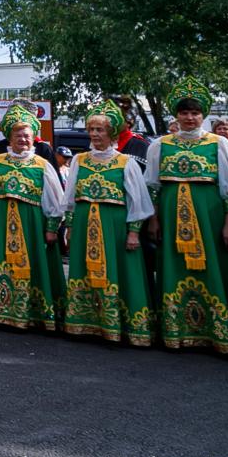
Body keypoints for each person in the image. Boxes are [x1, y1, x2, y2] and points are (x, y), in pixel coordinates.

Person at [143, 77, 228, 355]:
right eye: (184, 112)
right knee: (173, 268)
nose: (189, 117)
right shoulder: (160, 145)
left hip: (209, 217)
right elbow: (152, 186)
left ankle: (218, 333)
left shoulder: (219, 144)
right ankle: (176, 331)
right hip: (171, 216)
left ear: (203, 115)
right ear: (176, 114)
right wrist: (153, 219)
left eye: (195, 112)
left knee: (214, 267)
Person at [61, 101, 155, 345]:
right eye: (91, 130)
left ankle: (120, 325)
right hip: (84, 224)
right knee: (85, 270)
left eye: (100, 130)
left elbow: (138, 201)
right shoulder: (79, 160)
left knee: (119, 271)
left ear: (112, 133)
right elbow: (70, 199)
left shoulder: (126, 162)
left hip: (115, 226)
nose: (94, 134)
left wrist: (134, 233)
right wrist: (69, 227)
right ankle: (86, 322)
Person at [0, 104, 67, 331]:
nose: (23, 139)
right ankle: (4, 311)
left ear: (34, 138)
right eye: (18, 135)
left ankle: (36, 313)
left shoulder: (42, 165)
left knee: (34, 265)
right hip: (2, 225)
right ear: (9, 139)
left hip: (33, 226)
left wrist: (52, 227)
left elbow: (55, 199)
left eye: (27, 135)